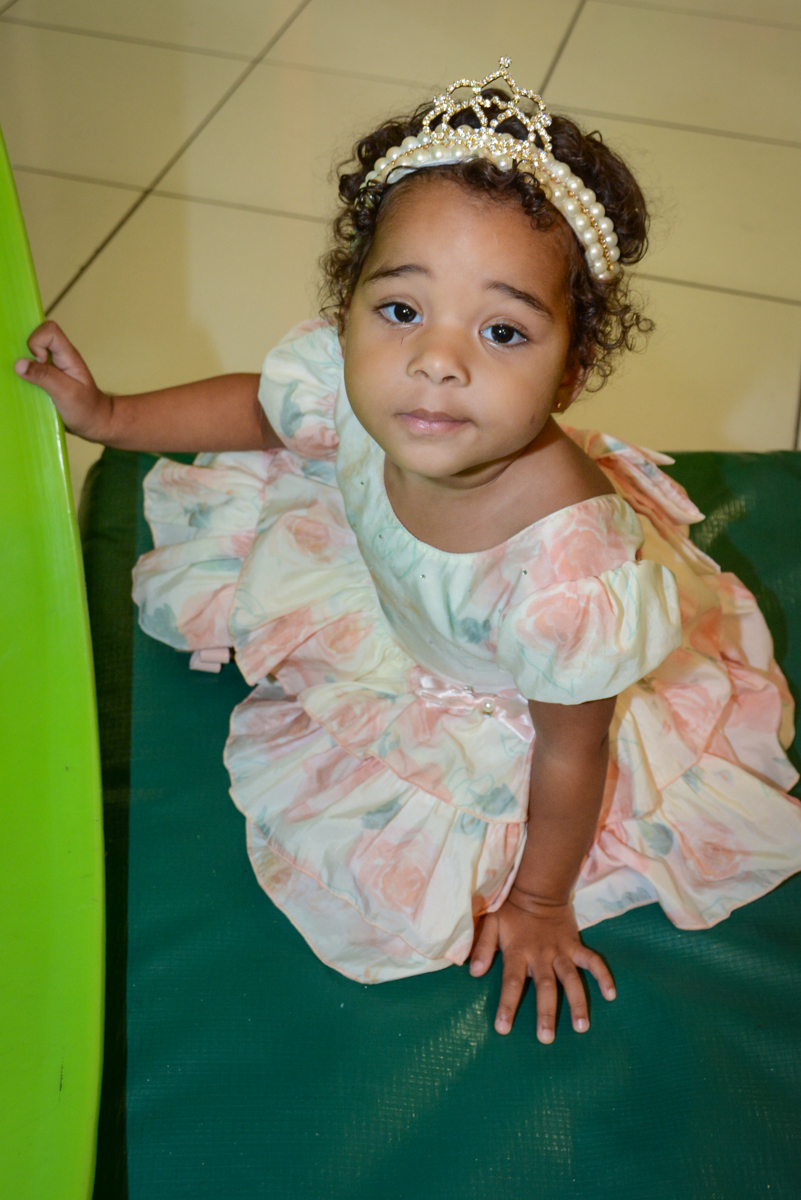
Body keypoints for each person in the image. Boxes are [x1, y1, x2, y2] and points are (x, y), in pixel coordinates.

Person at [16, 60, 801, 1045]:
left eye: (504, 330)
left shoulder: (569, 580)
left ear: (574, 371)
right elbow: (264, 405)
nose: (438, 359)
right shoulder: (367, 386)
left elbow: (572, 748)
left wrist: (543, 900)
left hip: (503, 694)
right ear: (349, 308)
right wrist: (110, 413)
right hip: (398, 598)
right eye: (400, 310)